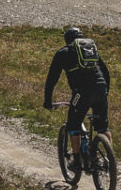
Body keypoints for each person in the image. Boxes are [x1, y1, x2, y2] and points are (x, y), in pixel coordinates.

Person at [44, 27, 110, 175]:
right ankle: (109, 160)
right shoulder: (90, 50)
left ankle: (76, 161)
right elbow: (105, 72)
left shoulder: (63, 53)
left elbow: (51, 80)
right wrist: (106, 93)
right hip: (101, 88)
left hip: (82, 92)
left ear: (67, 40)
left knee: (73, 124)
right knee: (103, 126)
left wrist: (47, 101)